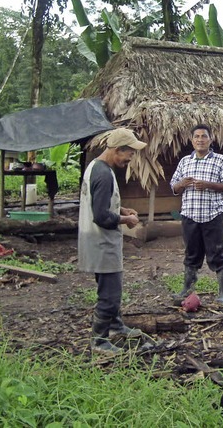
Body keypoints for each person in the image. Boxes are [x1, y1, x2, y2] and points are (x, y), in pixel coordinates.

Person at [78, 128, 147, 356]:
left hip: (96, 239)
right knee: (110, 293)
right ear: (118, 150)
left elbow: (102, 205)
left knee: (109, 288)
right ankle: (99, 340)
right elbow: (101, 216)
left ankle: (116, 326)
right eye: (129, 154)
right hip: (101, 242)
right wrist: (126, 219)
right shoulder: (104, 174)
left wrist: (121, 208)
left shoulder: (96, 167)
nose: (130, 159)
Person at [170, 124, 223, 304]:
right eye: (196, 136)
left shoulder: (220, 160)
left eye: (204, 136)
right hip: (189, 215)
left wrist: (208, 185)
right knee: (191, 254)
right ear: (192, 140)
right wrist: (181, 183)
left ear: (210, 139)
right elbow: (174, 187)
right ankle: (187, 289)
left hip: (212, 215)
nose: (200, 139)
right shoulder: (185, 162)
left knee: (217, 254)